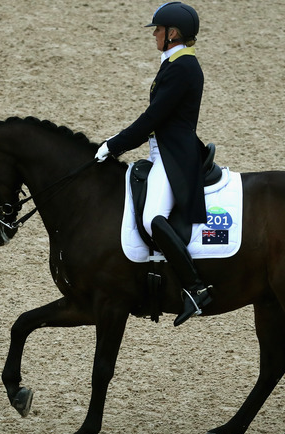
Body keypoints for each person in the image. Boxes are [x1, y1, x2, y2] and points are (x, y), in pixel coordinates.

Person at [94, 2, 212, 326]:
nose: (155, 35)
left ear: (172, 33)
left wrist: (112, 146)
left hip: (175, 156)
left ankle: (196, 289)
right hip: (163, 151)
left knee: (151, 218)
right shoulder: (173, 63)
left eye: (158, 30)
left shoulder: (184, 67)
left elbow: (153, 118)